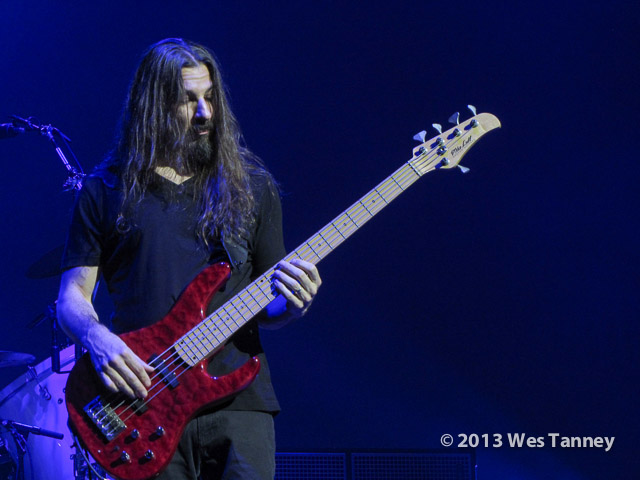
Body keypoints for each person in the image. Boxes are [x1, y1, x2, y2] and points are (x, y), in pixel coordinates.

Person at [57, 38, 321, 480]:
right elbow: (71, 298)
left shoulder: (252, 187)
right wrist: (97, 339)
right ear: (153, 105)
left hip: (239, 403)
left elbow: (270, 306)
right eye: (188, 100)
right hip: (143, 404)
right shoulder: (105, 191)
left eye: (210, 97)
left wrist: (294, 304)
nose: (204, 113)